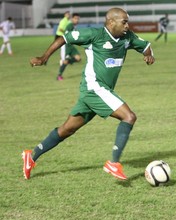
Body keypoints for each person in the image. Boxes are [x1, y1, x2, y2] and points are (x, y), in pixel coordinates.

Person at [22, 7, 155, 180]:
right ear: (111, 22)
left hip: (96, 92)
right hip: (94, 88)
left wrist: (148, 56)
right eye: (124, 22)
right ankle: (113, 163)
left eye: (127, 22)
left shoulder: (127, 37)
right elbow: (64, 37)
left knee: (66, 130)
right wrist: (44, 58)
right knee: (129, 117)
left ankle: (31, 157)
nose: (127, 26)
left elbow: (146, 46)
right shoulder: (94, 35)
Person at [57, 13, 81, 81]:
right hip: (66, 46)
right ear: (72, 19)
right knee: (65, 61)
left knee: (78, 58)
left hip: (71, 46)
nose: (77, 20)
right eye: (76, 18)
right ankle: (59, 75)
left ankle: (68, 61)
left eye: (78, 19)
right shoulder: (70, 25)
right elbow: (66, 36)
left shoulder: (73, 26)